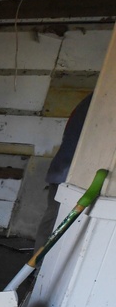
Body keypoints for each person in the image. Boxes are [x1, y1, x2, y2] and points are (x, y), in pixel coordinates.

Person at [36, 92, 93, 249]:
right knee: (59, 222)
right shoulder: (102, 103)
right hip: (74, 175)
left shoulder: (89, 101)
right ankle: (41, 267)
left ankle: (38, 267)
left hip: (63, 169)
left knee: (53, 218)